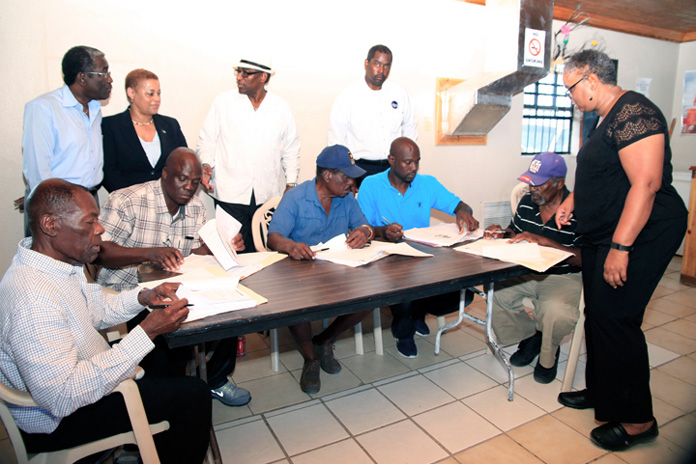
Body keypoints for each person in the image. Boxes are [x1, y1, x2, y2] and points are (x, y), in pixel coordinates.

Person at [0, 179, 211, 463]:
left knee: (168, 360)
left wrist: (144, 297)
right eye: (90, 222)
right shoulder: (32, 299)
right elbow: (63, 396)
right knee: (194, 395)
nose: (100, 230)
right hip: (58, 421)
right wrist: (146, 332)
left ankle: (151, 444)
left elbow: (96, 309)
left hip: (77, 379)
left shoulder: (55, 266)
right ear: (50, 225)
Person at [555, 49, 687, 451]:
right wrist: (573, 200)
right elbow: (604, 170)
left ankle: (637, 420)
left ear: (592, 80)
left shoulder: (636, 113)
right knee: (597, 314)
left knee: (616, 318)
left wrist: (620, 248)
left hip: (642, 232)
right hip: (605, 231)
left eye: (572, 89)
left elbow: (645, 185)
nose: (571, 98)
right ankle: (603, 393)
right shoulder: (604, 116)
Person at [96, 148, 251, 407]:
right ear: (165, 174)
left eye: (194, 182)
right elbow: (101, 252)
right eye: (182, 179)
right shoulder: (126, 200)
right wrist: (150, 253)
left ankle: (215, 379)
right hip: (126, 292)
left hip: (176, 289)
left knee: (232, 312)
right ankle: (166, 399)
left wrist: (221, 246)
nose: (189, 188)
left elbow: (194, 256)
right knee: (169, 348)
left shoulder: (196, 209)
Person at [357, 137, 479, 358]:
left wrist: (464, 211)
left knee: (464, 294)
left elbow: (459, 204)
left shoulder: (427, 183)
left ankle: (417, 312)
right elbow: (360, 227)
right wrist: (383, 232)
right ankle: (403, 332)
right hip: (386, 258)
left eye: (417, 162)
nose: (413, 168)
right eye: (407, 162)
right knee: (404, 290)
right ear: (391, 160)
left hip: (422, 257)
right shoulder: (371, 185)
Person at [267, 145, 375, 394]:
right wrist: (291, 245)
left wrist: (364, 232)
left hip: (336, 270)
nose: (351, 182)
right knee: (297, 304)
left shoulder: (346, 198)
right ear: (327, 175)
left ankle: (324, 340)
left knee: (372, 295)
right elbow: (274, 237)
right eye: (346, 176)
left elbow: (365, 226)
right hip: (300, 274)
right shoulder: (296, 197)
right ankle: (310, 358)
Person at [484, 152, 582, 384]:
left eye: (539, 184)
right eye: (530, 183)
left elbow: (587, 258)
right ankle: (533, 336)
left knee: (556, 312)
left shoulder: (579, 210)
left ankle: (548, 354)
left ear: (559, 184)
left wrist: (549, 243)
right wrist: (502, 233)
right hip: (527, 270)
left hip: (563, 276)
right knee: (495, 292)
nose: (532, 189)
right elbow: (516, 233)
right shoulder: (529, 202)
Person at [197, 55, 301, 252]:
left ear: (263, 77)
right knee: (232, 251)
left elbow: (291, 148)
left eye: (246, 73)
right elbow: (207, 140)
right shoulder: (223, 102)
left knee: (264, 252)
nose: (239, 77)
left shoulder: (280, 108)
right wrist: (206, 165)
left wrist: (291, 183)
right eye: (238, 72)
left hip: (266, 196)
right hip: (230, 193)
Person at [22, 45, 112, 235]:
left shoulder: (95, 108)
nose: (110, 80)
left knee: (84, 263)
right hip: (57, 207)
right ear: (82, 77)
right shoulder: (44, 108)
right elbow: (37, 171)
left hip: (88, 200)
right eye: (103, 73)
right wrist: (52, 211)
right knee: (52, 264)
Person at [328, 44, 417, 182]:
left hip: (392, 170)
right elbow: (336, 140)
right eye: (377, 64)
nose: (381, 70)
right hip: (359, 169)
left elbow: (410, 128)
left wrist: (407, 162)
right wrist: (347, 174)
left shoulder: (399, 94)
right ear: (367, 63)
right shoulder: (348, 97)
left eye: (386, 66)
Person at [102, 68, 188, 192]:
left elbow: (183, 163)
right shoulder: (111, 126)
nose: (157, 99)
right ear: (131, 93)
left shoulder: (170, 125)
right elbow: (108, 171)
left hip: (167, 201)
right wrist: (135, 198)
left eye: (159, 93)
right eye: (150, 93)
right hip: (127, 203)